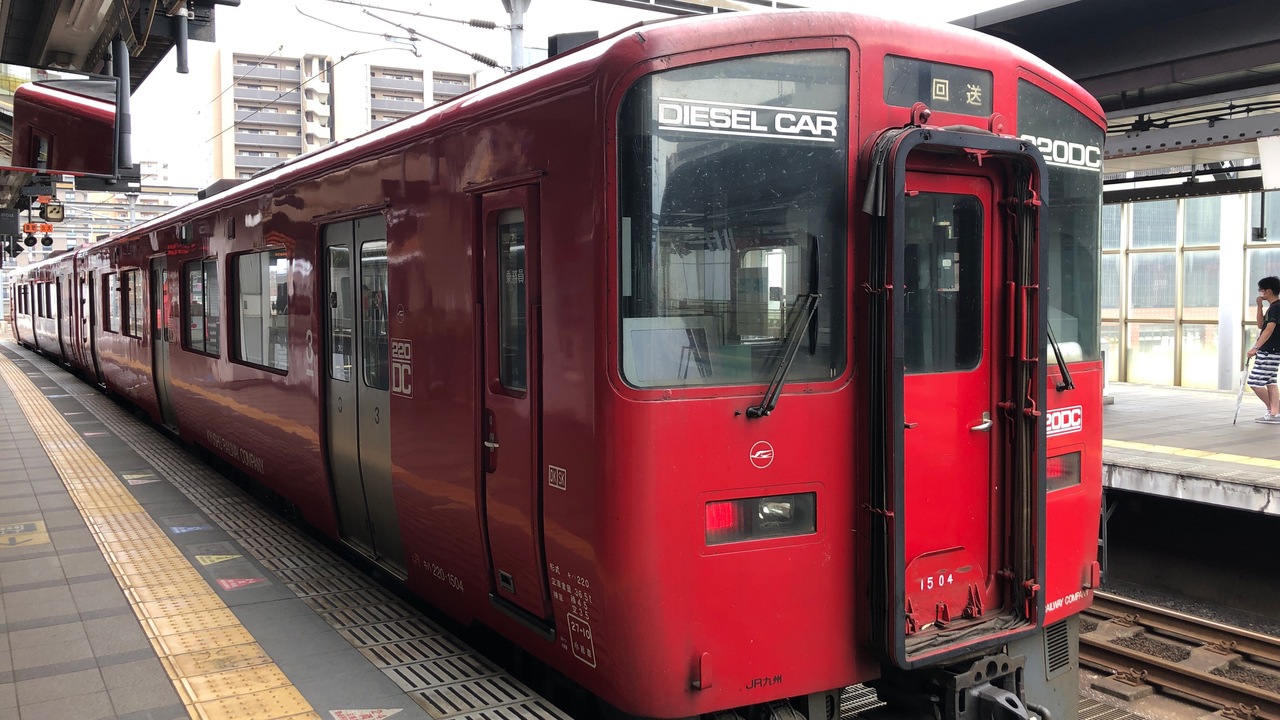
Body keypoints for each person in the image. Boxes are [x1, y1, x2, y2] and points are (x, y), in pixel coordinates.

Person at [1246, 276, 1280, 423]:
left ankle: (1274, 409)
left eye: (1261, 290)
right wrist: (1259, 306)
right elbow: (1261, 325)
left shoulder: (1276, 308)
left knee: (1254, 381)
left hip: (1269, 351)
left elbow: (1269, 330)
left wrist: (1255, 347)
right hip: (1271, 350)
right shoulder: (1272, 307)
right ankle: (1274, 414)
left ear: (1268, 291)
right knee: (1270, 382)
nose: (1259, 292)